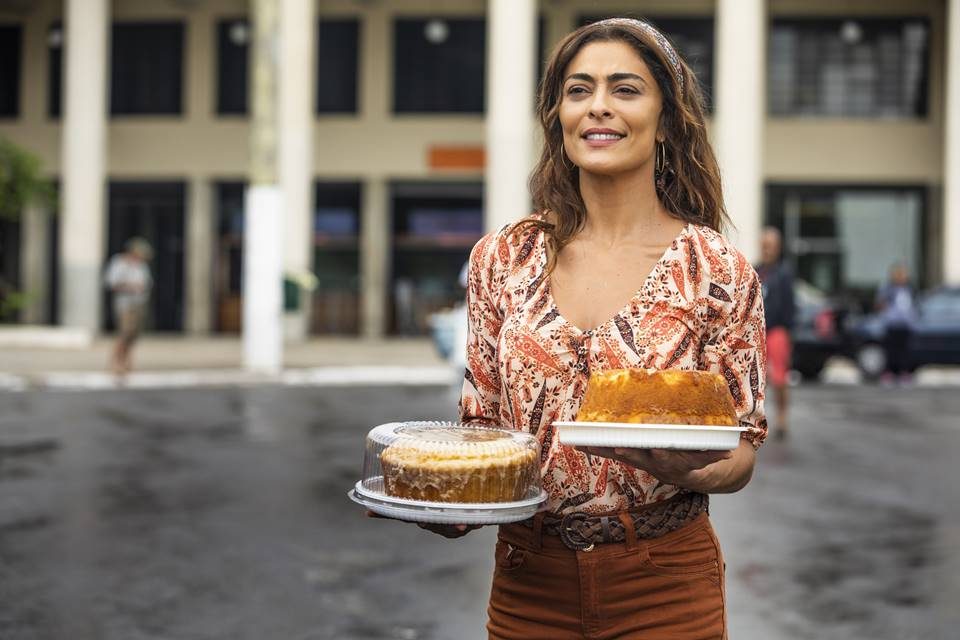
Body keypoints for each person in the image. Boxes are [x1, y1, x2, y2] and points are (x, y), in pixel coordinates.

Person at [414, 18, 767, 639]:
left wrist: (692, 471)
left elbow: (741, 447)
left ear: (667, 119)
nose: (598, 106)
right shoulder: (502, 258)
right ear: (558, 116)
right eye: (579, 90)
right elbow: (483, 431)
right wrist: (446, 502)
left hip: (665, 583)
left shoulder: (716, 270)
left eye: (625, 89)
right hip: (530, 579)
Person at [755, 227, 795, 439]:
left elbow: (790, 307)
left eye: (770, 246)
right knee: (757, 379)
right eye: (764, 245)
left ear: (778, 248)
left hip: (778, 330)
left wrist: (789, 334)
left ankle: (782, 416)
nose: (767, 249)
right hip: (758, 331)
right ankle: (757, 419)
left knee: (779, 377)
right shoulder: (756, 271)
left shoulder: (784, 274)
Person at [104, 237, 153, 377]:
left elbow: (147, 283)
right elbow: (111, 283)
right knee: (124, 333)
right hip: (125, 305)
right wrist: (130, 286)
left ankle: (127, 361)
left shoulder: (141, 265)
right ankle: (115, 362)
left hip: (139, 303)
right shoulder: (119, 263)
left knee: (134, 335)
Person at [875, 263, 917, 385]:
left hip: (906, 324)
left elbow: (912, 306)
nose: (901, 277)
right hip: (892, 324)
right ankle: (889, 373)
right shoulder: (888, 289)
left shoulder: (909, 289)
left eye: (903, 274)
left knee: (905, 350)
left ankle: (904, 373)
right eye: (898, 274)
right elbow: (880, 304)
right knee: (891, 350)